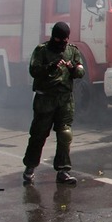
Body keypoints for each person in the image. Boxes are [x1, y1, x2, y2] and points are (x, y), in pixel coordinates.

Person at [22, 22, 86, 186]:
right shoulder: (42, 50)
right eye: (59, 39)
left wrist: (73, 68)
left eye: (65, 39)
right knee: (38, 134)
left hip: (65, 99)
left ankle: (63, 170)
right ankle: (30, 167)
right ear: (53, 37)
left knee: (65, 133)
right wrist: (49, 67)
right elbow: (33, 70)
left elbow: (80, 70)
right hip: (45, 99)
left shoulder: (72, 50)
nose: (62, 43)